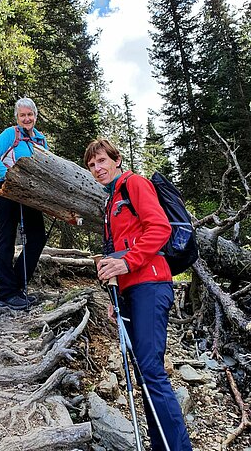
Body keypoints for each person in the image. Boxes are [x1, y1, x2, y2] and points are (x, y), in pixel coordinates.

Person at [84, 138, 192, 451]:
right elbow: (114, 254)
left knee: (152, 371)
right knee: (143, 374)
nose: (97, 169)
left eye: (102, 161)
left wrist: (126, 262)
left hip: (151, 284)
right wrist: (114, 299)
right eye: (92, 165)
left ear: (116, 160)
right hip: (129, 293)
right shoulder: (110, 201)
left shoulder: (135, 184)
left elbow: (159, 228)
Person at [0, 97, 48, 311]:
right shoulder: (11, 133)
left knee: (37, 236)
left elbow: (47, 166)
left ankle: (18, 286)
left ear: (35, 116)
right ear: (17, 118)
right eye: (23, 115)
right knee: (7, 236)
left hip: (30, 193)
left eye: (30, 115)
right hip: (5, 189)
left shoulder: (40, 140)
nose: (27, 118)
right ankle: (6, 293)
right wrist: (8, 175)